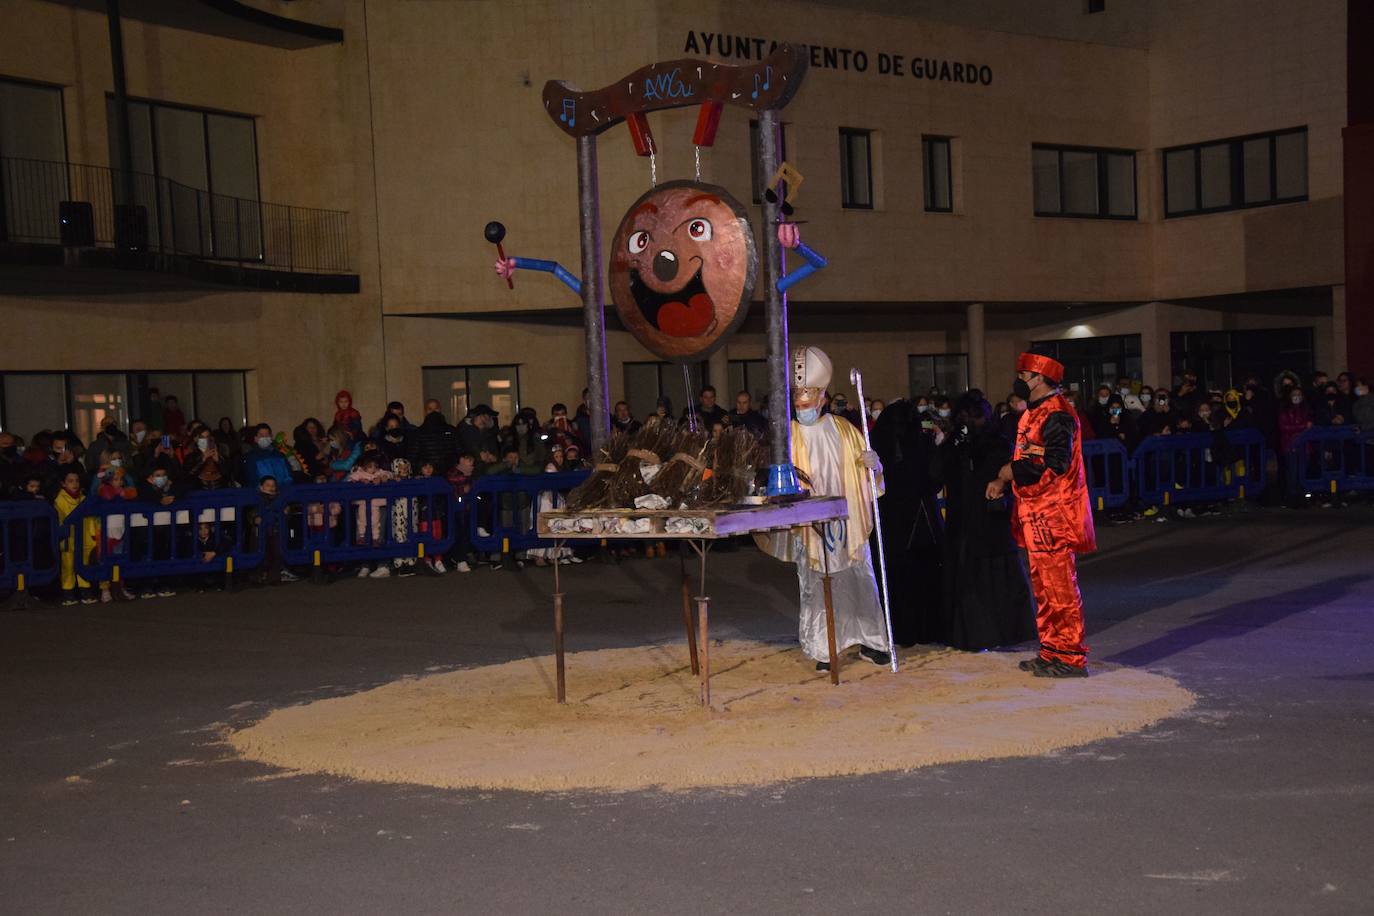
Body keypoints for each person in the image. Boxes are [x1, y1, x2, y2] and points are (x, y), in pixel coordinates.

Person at [755, 346, 891, 671]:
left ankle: (873, 641)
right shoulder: (787, 436)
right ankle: (825, 648)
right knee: (817, 586)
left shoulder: (844, 429)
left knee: (860, 578)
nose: (803, 409)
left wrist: (875, 466)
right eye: (798, 404)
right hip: (811, 523)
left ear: (822, 398)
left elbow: (867, 474)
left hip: (847, 519)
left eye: (808, 402)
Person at [987, 353, 1096, 678]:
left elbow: (1055, 462)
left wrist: (1010, 472)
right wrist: (1008, 476)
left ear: (1040, 379)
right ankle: (1051, 650)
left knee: (1060, 587)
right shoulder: (1035, 412)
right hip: (1036, 513)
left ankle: (1071, 655)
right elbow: (1032, 454)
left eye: (1024, 374)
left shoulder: (1058, 414)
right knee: (1044, 588)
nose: (1019, 379)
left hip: (1054, 514)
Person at [932, 393, 1036, 651]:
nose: (969, 422)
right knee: (966, 580)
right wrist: (949, 443)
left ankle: (1002, 632)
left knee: (995, 580)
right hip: (962, 524)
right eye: (965, 417)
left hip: (992, 524)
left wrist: (1000, 483)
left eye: (974, 416)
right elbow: (937, 474)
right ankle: (967, 634)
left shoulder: (998, 443)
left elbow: (1014, 473)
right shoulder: (955, 445)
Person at [869, 398, 944, 646]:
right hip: (921, 524)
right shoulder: (922, 443)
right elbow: (934, 481)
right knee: (922, 580)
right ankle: (926, 629)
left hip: (894, 524)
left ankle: (897, 630)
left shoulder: (878, 444)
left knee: (895, 579)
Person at [241, 424, 294, 489]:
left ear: (271, 437)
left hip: (284, 493)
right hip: (262, 495)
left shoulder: (280, 455)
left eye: (267, 435)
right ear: (255, 438)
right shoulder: (251, 458)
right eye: (261, 435)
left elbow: (289, 476)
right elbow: (252, 481)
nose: (264, 437)